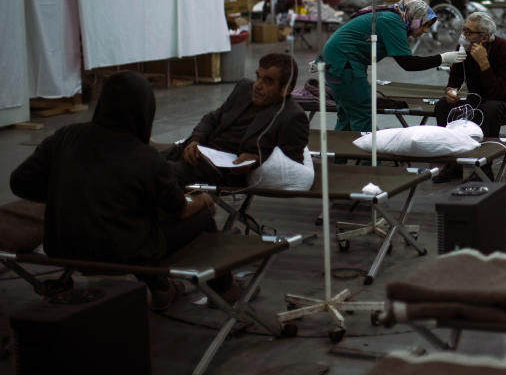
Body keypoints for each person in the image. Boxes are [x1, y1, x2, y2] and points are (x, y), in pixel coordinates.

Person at [10, 72, 231, 311]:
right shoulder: (146, 158)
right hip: (120, 254)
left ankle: (163, 289)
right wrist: (203, 200)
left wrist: (62, 193)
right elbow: (179, 209)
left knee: (132, 222)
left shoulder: (66, 137)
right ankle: (226, 291)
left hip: (61, 246)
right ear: (144, 111)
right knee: (197, 218)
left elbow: (20, 181)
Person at [166, 52, 309, 188]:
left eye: (268, 81)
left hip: (218, 172)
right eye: (258, 77)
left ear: (286, 89)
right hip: (195, 152)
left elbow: (291, 165)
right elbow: (212, 118)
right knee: (147, 161)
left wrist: (256, 161)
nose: (258, 86)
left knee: (156, 173)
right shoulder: (244, 88)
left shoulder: (292, 117)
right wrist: (195, 140)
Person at [323, 0, 466, 131]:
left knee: (347, 113)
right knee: (363, 112)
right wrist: (443, 58)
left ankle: (341, 157)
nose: (425, 31)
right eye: (424, 25)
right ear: (414, 19)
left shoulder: (390, 15)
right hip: (345, 63)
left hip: (337, 60)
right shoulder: (392, 21)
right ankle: (370, 157)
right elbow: (408, 63)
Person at [432, 12, 506, 182]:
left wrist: (484, 64)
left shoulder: (505, 49)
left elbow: (498, 93)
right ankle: (452, 164)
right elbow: (454, 81)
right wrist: (451, 92)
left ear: (485, 36)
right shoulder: (462, 50)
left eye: (469, 32)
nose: (464, 36)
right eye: (463, 31)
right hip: (476, 100)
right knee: (443, 106)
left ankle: (484, 167)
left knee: (487, 108)